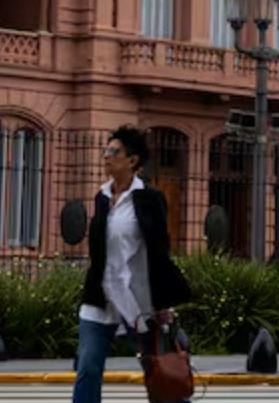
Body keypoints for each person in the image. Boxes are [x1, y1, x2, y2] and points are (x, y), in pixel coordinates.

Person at [73, 126, 193, 403]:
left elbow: (160, 253)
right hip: (100, 298)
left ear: (132, 161)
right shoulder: (101, 197)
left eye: (114, 152)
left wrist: (163, 306)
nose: (106, 157)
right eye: (106, 151)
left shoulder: (150, 199)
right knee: (88, 368)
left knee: (159, 371)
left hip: (137, 302)